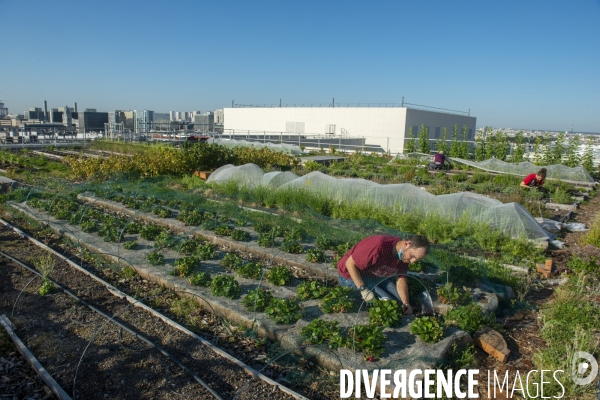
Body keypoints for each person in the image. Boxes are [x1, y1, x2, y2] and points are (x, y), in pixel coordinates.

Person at [337, 234, 430, 315]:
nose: (412, 261)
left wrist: (406, 303)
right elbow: (349, 263)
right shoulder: (378, 245)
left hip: (374, 275)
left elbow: (401, 279)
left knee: (400, 303)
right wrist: (363, 290)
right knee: (387, 302)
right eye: (413, 256)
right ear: (407, 244)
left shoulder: (403, 256)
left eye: (416, 259)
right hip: (351, 275)